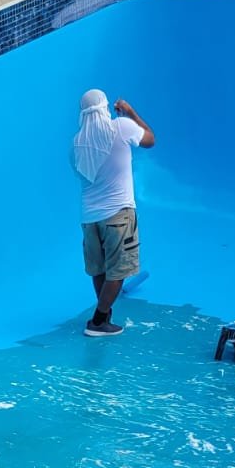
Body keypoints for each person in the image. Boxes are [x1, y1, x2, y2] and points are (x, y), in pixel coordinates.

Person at [71, 89, 155, 338]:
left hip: (89, 219)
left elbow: (81, 174)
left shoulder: (76, 144)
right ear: (105, 108)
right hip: (118, 215)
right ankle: (97, 321)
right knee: (118, 272)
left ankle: (104, 315)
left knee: (99, 269)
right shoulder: (121, 127)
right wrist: (130, 112)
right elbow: (150, 140)